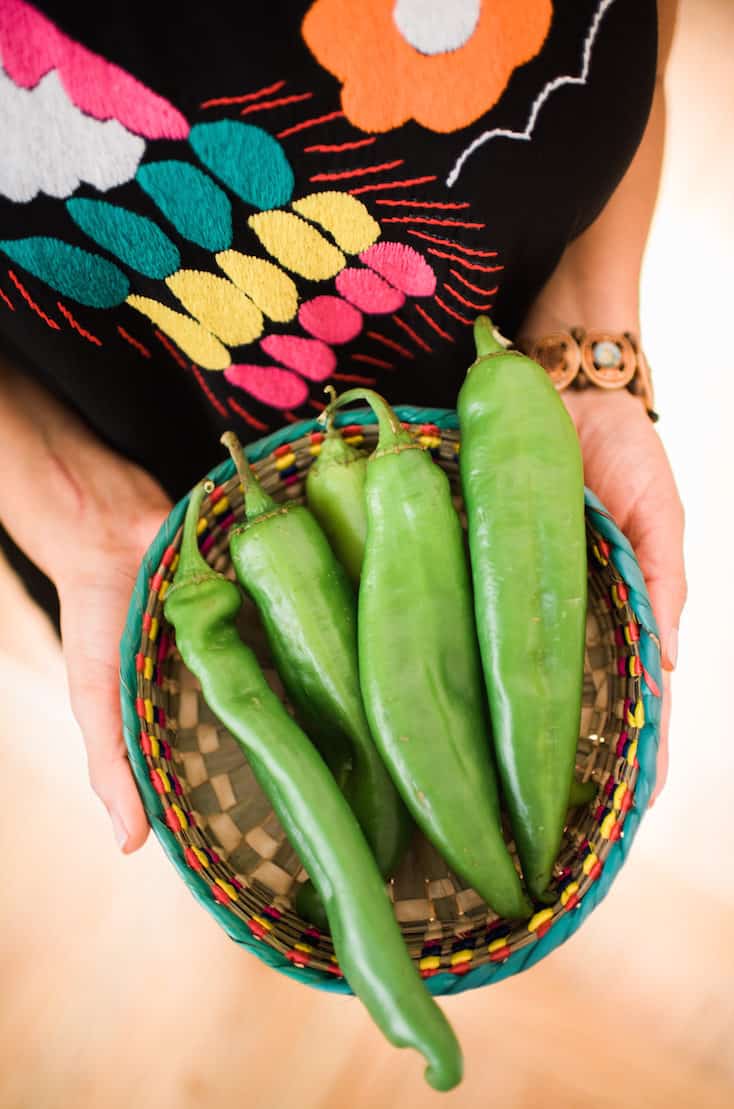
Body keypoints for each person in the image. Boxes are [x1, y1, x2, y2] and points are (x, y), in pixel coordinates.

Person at [0, 0, 686, 853]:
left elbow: (640, 36)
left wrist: (589, 343)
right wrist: (62, 500)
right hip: (133, 465)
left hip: (510, 419)